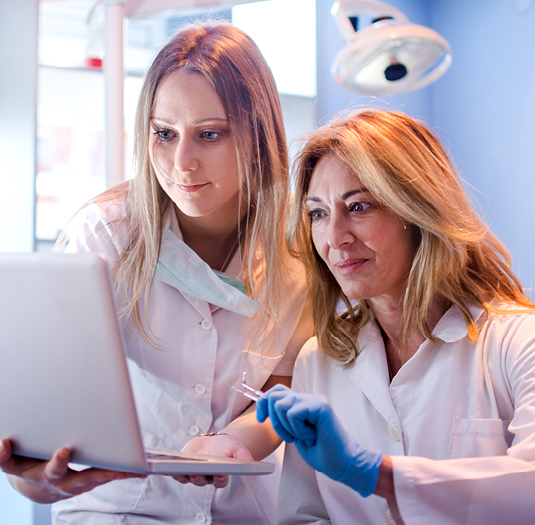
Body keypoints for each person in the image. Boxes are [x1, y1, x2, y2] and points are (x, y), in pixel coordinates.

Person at [0, 20, 313, 524]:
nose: (182, 163)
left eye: (209, 134)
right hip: (121, 509)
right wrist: (34, 478)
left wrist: (234, 442)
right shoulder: (103, 237)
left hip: (245, 512)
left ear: (259, 136)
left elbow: (284, 386)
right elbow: (40, 432)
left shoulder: (299, 250)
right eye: (164, 134)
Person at [256, 109, 535, 524]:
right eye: (318, 213)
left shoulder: (516, 341)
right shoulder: (319, 361)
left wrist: (372, 472)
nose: (335, 238)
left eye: (359, 205)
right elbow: (303, 516)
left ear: (417, 209)